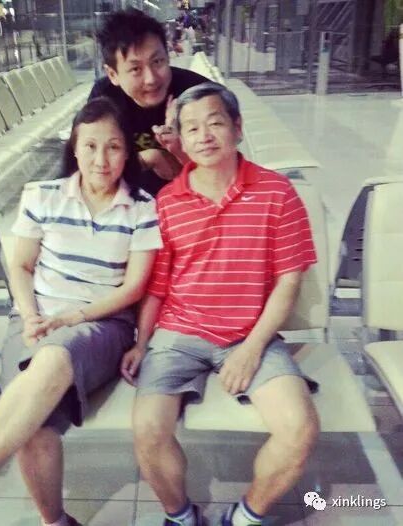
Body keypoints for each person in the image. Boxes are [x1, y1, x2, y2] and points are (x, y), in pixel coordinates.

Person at [0, 97, 162, 526]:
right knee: (36, 429)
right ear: (74, 148)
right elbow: (22, 266)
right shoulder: (42, 196)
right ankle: (55, 522)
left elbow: (134, 288)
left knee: (52, 357)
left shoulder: (143, 208)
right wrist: (30, 316)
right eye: (90, 146)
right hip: (36, 317)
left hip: (102, 323)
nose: (101, 160)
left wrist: (71, 319)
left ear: (128, 151)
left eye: (113, 147)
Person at [121, 83, 320, 526]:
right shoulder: (168, 201)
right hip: (178, 333)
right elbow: (157, 287)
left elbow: (289, 280)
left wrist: (252, 348)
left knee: (300, 429)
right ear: (180, 139)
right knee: (148, 430)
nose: (204, 136)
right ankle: (180, 516)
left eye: (215, 123)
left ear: (237, 128)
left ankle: (246, 516)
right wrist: (142, 341)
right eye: (191, 128)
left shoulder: (277, 192)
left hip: (251, 334)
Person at [89, 8, 209, 196]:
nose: (151, 79)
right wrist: (150, 157)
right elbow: (92, 168)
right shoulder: (105, 98)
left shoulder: (197, 93)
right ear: (113, 74)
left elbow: (226, 170)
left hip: (195, 198)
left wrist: (181, 149)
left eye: (157, 62)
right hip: (132, 199)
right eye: (135, 69)